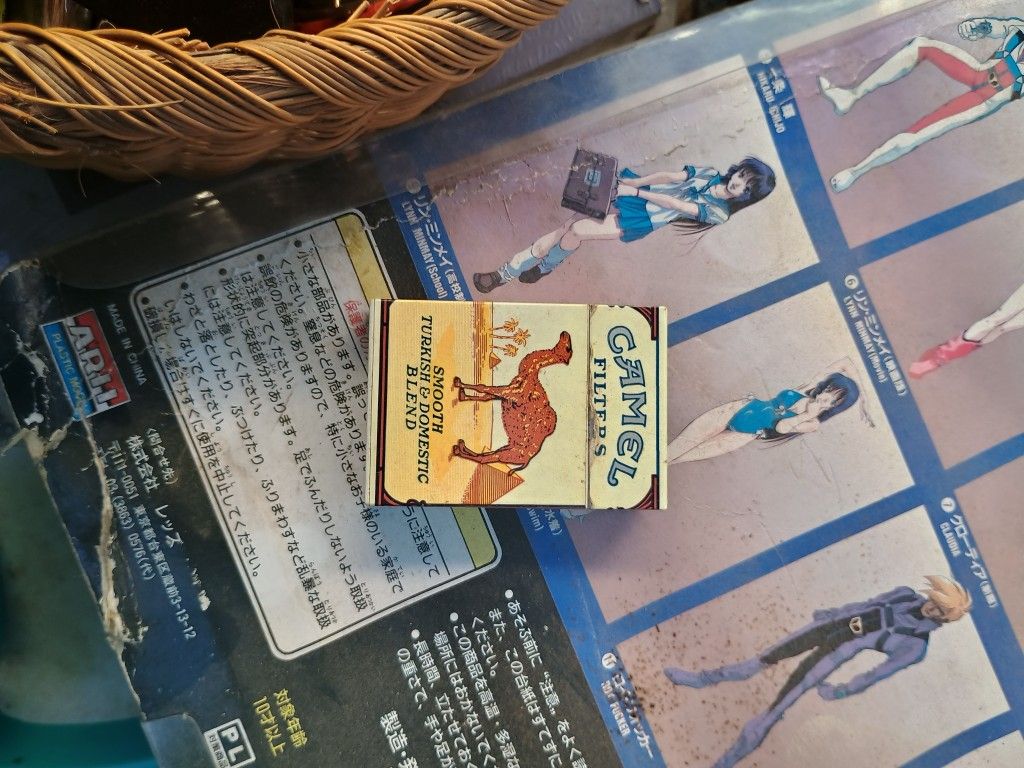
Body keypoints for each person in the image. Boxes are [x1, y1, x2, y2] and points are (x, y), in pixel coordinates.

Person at [664, 576, 972, 768]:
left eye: (941, 611)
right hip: (827, 627)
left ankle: (725, 763)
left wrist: (842, 690)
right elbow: (867, 605)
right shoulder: (904, 594)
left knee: (776, 708)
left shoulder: (915, 645)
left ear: (945, 620)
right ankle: (700, 679)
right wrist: (832, 613)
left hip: (834, 653)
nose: (933, 609)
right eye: (936, 602)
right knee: (761, 660)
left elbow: (879, 673)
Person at [472, 157, 776, 293]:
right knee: (566, 228)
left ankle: (546, 266)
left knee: (577, 231)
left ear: (749, 195)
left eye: (747, 186)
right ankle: (503, 274)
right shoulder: (709, 173)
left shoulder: (719, 213)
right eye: (742, 174)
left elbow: (676, 205)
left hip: (642, 216)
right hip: (635, 192)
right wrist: (635, 182)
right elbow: (670, 177)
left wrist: (636, 193)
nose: (738, 182)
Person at [819, 16, 1024, 191]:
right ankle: (851, 95)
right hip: (977, 72)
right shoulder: (1019, 28)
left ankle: (856, 171)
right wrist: (978, 26)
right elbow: (995, 27)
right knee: (921, 45)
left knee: (913, 136)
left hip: (981, 102)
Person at [668, 357, 871, 464]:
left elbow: (781, 427)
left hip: (744, 433)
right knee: (675, 448)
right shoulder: (808, 387)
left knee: (675, 460)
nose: (825, 397)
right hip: (740, 407)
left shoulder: (813, 423)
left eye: (832, 400)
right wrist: (864, 398)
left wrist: (807, 414)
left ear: (835, 407)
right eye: (828, 390)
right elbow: (846, 362)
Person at [910, 281, 1024, 377]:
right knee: (1002, 327)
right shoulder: (941, 358)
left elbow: (934, 357)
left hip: (968, 339)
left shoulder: (936, 355)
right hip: (977, 343)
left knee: (997, 319)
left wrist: (925, 366)